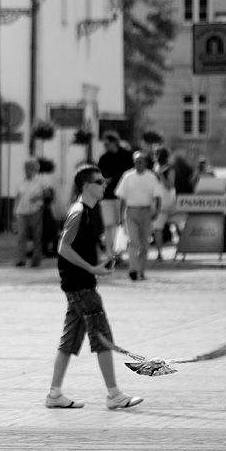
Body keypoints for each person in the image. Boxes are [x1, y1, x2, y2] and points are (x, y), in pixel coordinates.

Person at [45, 164, 143, 410]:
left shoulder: (90, 211)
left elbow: (81, 245)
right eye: (99, 182)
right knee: (103, 338)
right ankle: (114, 395)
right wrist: (92, 269)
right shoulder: (79, 211)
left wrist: (102, 260)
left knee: (69, 341)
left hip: (79, 285)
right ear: (87, 186)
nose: (104, 185)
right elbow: (63, 248)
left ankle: (54, 394)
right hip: (81, 287)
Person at [114, 151, 162, 281]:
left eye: (140, 161)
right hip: (131, 211)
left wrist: (157, 211)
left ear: (145, 162)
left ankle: (141, 270)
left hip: (146, 211)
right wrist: (120, 215)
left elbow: (158, 195)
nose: (138, 164)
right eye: (136, 161)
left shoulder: (151, 177)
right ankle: (133, 270)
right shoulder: (128, 176)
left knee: (145, 244)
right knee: (133, 242)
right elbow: (122, 197)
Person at [97, 131, 134, 261]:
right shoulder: (104, 158)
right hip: (106, 195)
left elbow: (130, 174)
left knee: (122, 224)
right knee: (108, 225)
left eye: (108, 143)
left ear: (114, 142)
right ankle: (109, 253)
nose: (106, 146)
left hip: (122, 196)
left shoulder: (126, 156)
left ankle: (119, 252)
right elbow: (99, 176)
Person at [14, 157, 46, 267]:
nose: (27, 170)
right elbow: (17, 196)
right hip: (22, 212)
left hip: (35, 211)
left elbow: (47, 195)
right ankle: (21, 259)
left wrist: (38, 197)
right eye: (26, 168)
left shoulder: (40, 181)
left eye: (30, 168)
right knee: (21, 236)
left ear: (35, 169)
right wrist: (15, 211)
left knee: (37, 237)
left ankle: (36, 260)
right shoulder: (20, 181)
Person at [152, 165, 177, 259]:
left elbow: (170, 186)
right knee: (157, 230)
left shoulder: (169, 173)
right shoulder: (161, 180)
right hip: (160, 208)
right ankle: (159, 252)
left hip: (168, 208)